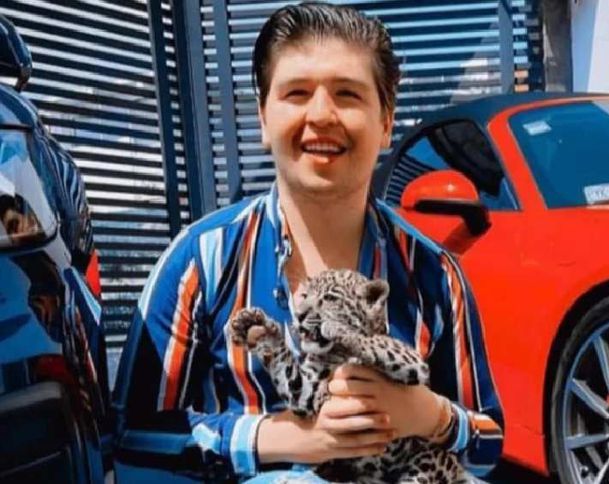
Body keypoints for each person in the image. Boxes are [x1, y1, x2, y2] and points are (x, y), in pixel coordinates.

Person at [112, 2, 503, 481]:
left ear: (385, 123)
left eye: (347, 94)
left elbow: (488, 444)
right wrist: (282, 439)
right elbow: (130, 441)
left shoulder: (434, 275)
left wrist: (432, 416)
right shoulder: (200, 263)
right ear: (263, 117)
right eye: (297, 93)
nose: (321, 114)